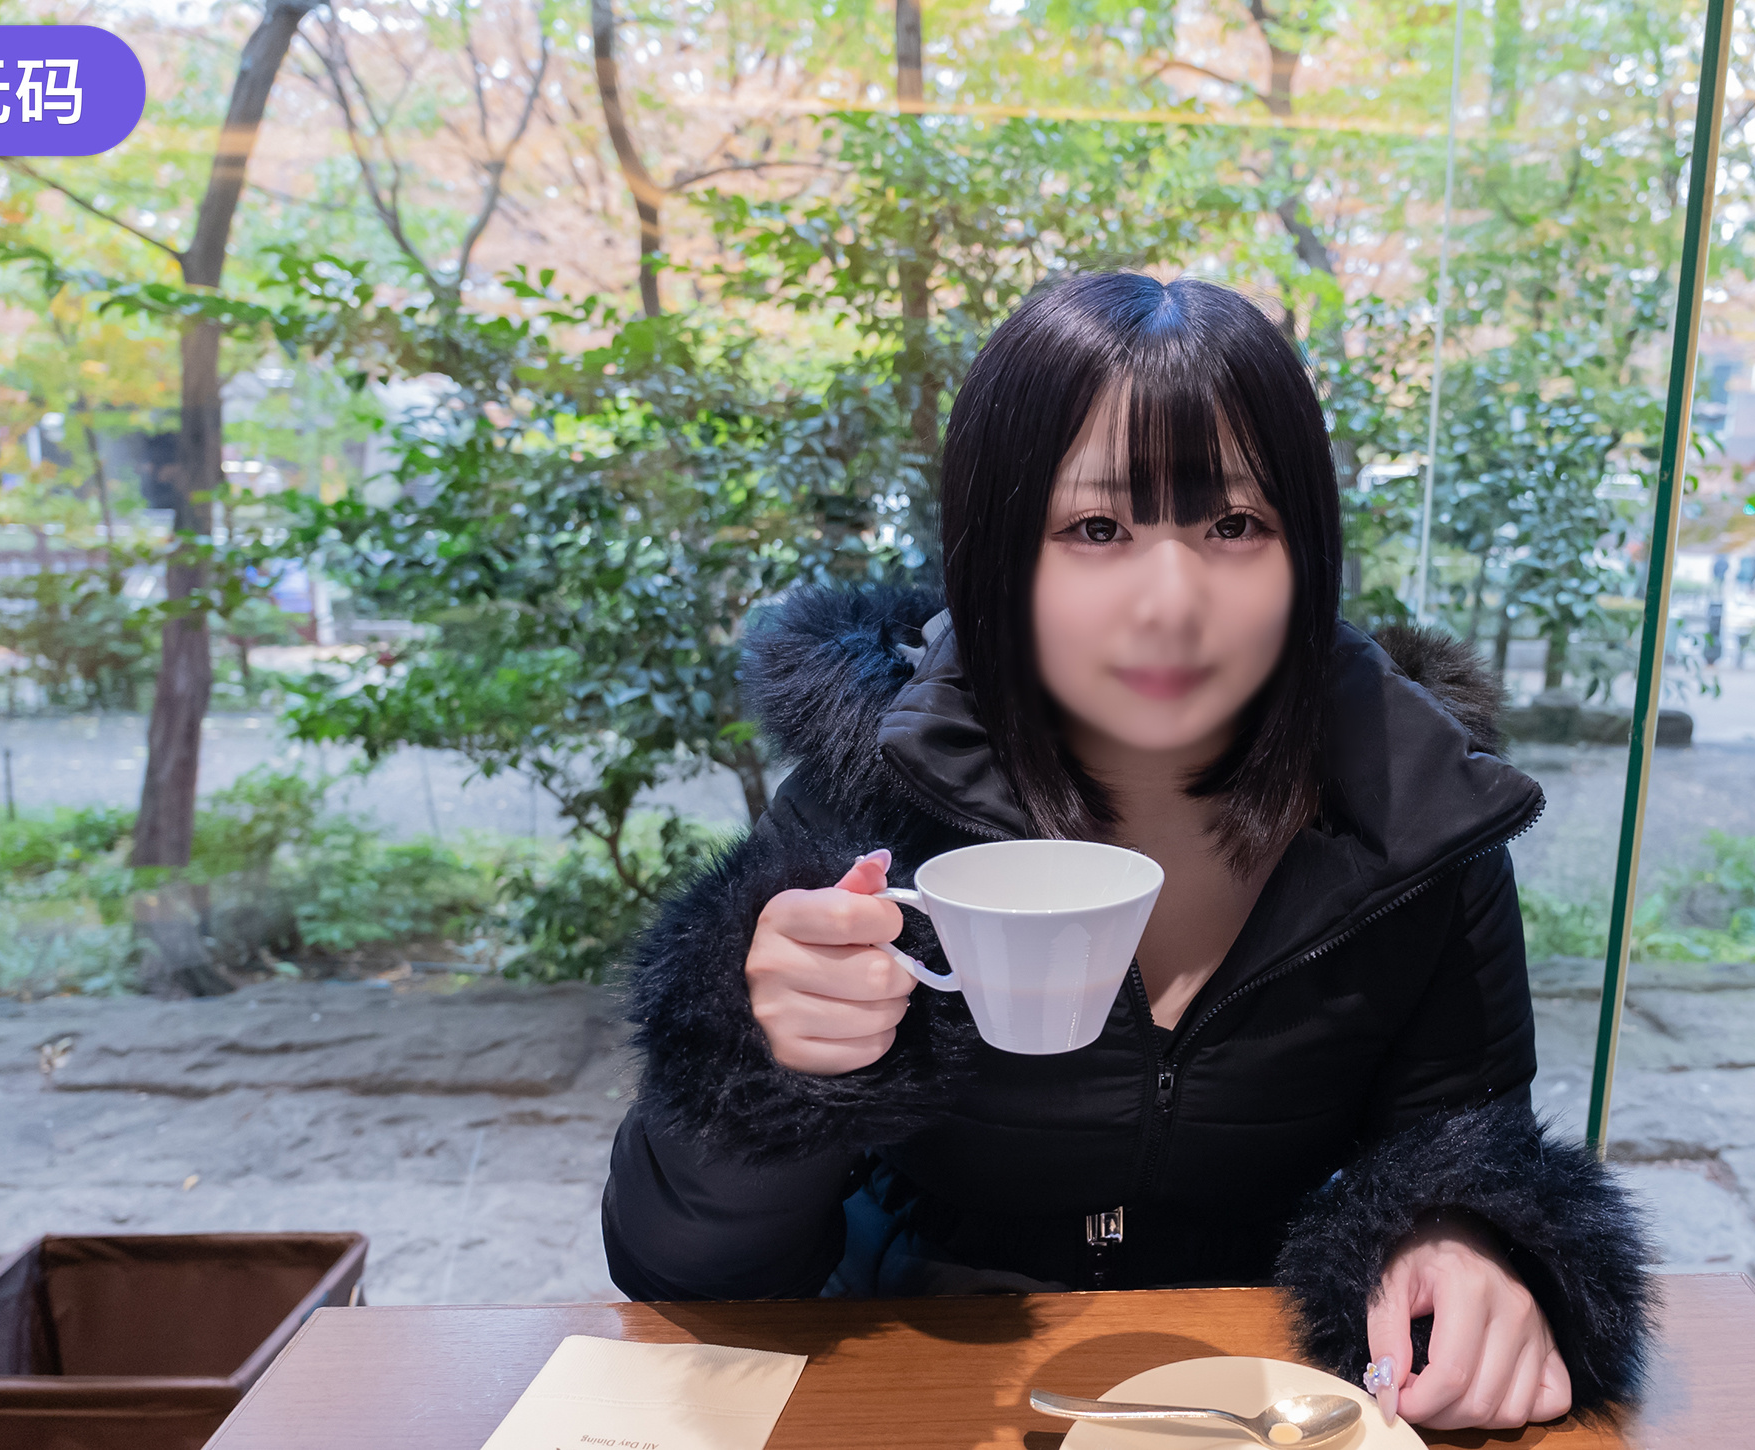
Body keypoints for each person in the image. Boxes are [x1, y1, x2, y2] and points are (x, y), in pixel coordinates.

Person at [604, 274, 1651, 1431]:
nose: (1171, 602)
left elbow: (1461, 1145)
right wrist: (766, 1068)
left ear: (1307, 554)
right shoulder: (869, 798)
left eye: (1234, 526)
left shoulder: (1414, 814)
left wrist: (1464, 1236)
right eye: (1096, 529)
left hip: (1262, 1384)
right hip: (941, 1373)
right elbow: (680, 1274)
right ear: (998, 557)